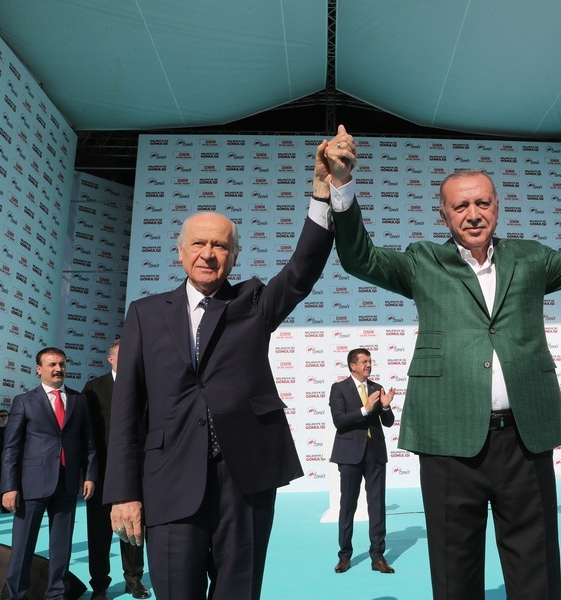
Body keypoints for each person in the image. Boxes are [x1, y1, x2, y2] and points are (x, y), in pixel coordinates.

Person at [329, 123, 561, 599]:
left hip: (523, 439)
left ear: (497, 206)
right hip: (448, 441)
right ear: (443, 214)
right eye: (461, 206)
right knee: (454, 573)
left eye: (483, 203)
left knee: (536, 568)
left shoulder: (530, 258)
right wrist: (342, 185)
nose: (473, 214)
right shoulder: (421, 262)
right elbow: (359, 258)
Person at [104, 126, 351, 599]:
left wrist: (323, 191)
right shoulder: (145, 314)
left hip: (245, 479)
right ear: (180, 252)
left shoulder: (252, 302)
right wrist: (124, 492)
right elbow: (126, 411)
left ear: (234, 255)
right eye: (198, 244)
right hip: (169, 478)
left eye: (219, 246)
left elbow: (302, 270)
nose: (208, 254)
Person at [1, 347, 97, 600]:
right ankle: (16, 595)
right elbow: (11, 447)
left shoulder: (79, 400)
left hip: (67, 483)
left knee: (62, 545)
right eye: (52, 364)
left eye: (62, 364)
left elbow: (88, 442)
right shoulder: (24, 401)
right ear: (39, 369)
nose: (58, 369)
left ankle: (57, 594)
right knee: (22, 546)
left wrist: (90, 475)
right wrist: (9, 486)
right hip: (31, 484)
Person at [82, 339, 150, 600]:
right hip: (102, 472)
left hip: (136, 470)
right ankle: (100, 584)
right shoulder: (94, 387)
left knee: (133, 528)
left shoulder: (146, 384)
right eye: (123, 355)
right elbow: (86, 432)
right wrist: (87, 472)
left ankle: (134, 579)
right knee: (99, 531)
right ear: (110, 359)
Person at [329, 348, 396, 574]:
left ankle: (378, 556)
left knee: (377, 505)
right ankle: (344, 556)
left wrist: (385, 406)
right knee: (348, 505)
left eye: (370, 361)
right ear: (353, 366)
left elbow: (388, 422)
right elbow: (339, 420)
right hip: (349, 455)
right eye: (364, 361)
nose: (368, 365)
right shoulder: (339, 389)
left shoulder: (377, 388)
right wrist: (365, 410)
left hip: (375, 453)